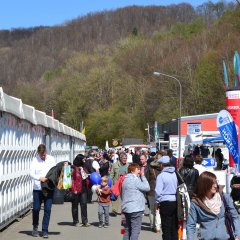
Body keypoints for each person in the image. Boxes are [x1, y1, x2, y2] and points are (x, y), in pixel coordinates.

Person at [186, 171, 240, 240]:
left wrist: (237, 235)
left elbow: (235, 217)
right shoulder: (196, 202)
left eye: (215, 182)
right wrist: (193, 238)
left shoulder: (224, 197)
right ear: (204, 185)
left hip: (225, 238)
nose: (215, 185)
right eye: (212, 183)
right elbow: (191, 225)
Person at [30, 144, 56, 238]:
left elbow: (55, 171)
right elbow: (31, 173)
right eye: (41, 155)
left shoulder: (51, 159)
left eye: (44, 154)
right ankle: (35, 227)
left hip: (49, 188)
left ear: (46, 152)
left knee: (48, 209)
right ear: (38, 153)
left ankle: (45, 230)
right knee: (36, 208)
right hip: (37, 188)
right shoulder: (35, 160)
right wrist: (39, 178)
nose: (43, 156)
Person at [121, 163, 150, 240]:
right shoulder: (135, 180)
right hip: (136, 208)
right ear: (133, 170)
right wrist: (143, 176)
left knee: (127, 229)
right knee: (135, 230)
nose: (139, 171)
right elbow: (147, 187)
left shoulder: (125, 179)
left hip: (126, 208)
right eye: (138, 169)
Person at [155, 155, 178, 240]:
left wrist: (157, 202)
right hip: (174, 201)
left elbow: (158, 192)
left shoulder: (161, 176)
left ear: (162, 165)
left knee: (166, 227)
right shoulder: (174, 174)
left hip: (165, 202)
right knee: (174, 226)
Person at [142, 154, 161, 233]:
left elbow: (146, 180)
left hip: (151, 191)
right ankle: (158, 226)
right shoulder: (162, 168)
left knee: (152, 209)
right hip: (160, 191)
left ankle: (153, 225)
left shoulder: (149, 167)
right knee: (158, 209)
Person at [71, 154, 91, 227]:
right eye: (83, 159)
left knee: (84, 204)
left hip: (83, 189)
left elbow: (85, 177)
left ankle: (85, 221)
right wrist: (74, 189)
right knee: (75, 205)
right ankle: (75, 221)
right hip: (76, 189)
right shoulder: (73, 168)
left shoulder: (83, 167)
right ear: (79, 160)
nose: (84, 161)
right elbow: (72, 180)